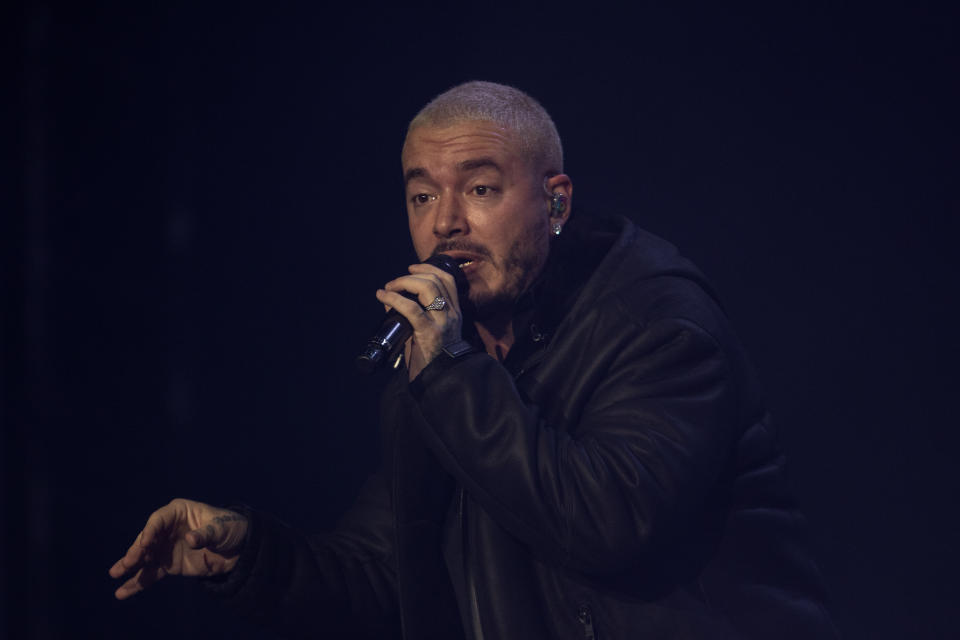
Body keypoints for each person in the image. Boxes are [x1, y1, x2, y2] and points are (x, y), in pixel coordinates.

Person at [110, 81, 838, 639]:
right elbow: (394, 565)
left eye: (481, 189)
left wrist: (452, 373)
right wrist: (248, 553)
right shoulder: (444, 355)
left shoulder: (657, 324)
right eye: (422, 194)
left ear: (555, 204)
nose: (446, 222)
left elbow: (604, 520)